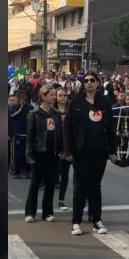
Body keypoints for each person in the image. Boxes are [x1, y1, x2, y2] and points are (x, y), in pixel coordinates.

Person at [63, 74, 118, 236]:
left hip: (99, 151)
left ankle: (97, 220)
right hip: (80, 152)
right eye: (86, 81)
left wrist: (112, 151)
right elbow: (67, 128)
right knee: (80, 186)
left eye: (92, 81)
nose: (89, 83)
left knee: (95, 186)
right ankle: (76, 221)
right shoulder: (76, 102)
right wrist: (68, 151)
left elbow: (111, 129)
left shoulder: (105, 103)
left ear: (98, 83)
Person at [24, 85, 62, 222]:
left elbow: (60, 134)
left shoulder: (56, 114)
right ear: (43, 96)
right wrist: (29, 154)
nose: (53, 97)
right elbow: (30, 137)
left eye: (54, 94)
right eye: (51, 95)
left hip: (52, 153)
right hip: (38, 153)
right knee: (35, 184)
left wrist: (61, 150)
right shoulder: (34, 114)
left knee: (50, 184)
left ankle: (48, 212)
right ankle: (30, 213)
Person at [54, 87, 71, 211]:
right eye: (60, 95)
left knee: (65, 175)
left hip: (69, 148)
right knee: (54, 175)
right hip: (56, 148)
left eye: (64, 95)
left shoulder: (72, 110)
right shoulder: (52, 111)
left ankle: (61, 200)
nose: (63, 97)